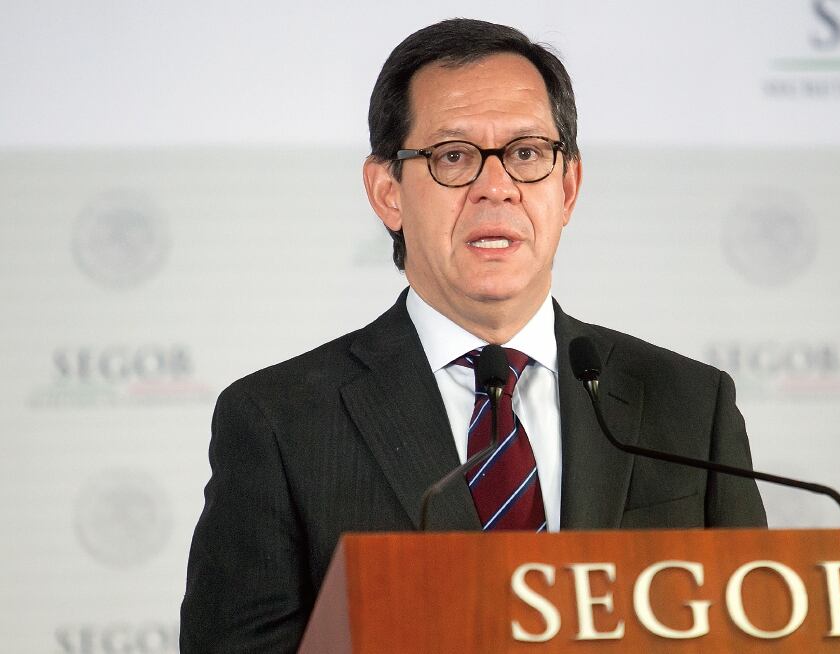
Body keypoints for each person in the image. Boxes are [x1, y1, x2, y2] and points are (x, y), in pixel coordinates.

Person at [180, 18, 766, 652]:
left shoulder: (689, 405)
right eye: (453, 157)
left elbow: (758, 632)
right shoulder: (280, 421)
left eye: (527, 153)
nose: (496, 188)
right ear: (387, 192)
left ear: (568, 187)